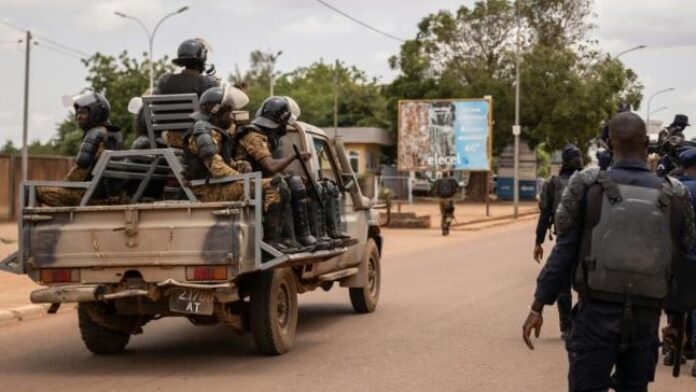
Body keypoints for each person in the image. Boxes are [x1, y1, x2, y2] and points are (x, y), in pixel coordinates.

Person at [522, 112, 696, 391]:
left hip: (594, 316)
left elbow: (564, 253)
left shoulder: (589, 187)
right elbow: (686, 255)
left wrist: (538, 305)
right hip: (646, 320)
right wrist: (677, 321)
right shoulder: (675, 194)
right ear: (646, 144)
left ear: (609, 144)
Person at [181, 86, 296, 253]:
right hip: (209, 191)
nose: (231, 117)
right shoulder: (203, 133)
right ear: (216, 112)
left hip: (217, 185)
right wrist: (245, 178)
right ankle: (271, 244)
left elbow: (223, 160)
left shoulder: (213, 132)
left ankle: (276, 241)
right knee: (275, 185)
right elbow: (217, 169)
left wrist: (239, 164)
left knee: (277, 183)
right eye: (228, 112)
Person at [234, 96, 352, 250]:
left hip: (260, 181)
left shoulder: (268, 137)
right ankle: (287, 239)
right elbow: (270, 166)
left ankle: (312, 235)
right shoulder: (254, 136)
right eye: (285, 124)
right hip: (247, 185)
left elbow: (270, 170)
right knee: (288, 184)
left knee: (305, 184)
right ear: (279, 122)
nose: (285, 129)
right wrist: (294, 156)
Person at [533, 144, 583, 340]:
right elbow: (545, 216)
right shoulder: (588, 182)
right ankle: (573, 326)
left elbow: (545, 216)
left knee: (564, 286)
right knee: (581, 286)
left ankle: (567, 327)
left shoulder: (553, 183)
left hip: (564, 241)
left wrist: (538, 242)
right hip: (585, 242)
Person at [37, 92, 122, 206]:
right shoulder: (114, 134)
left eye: (83, 112)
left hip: (88, 195)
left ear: (96, 112)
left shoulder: (94, 134)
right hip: (106, 193)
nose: (78, 116)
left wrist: (64, 187)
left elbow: (79, 172)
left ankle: (38, 223)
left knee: (33, 190)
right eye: (77, 113)